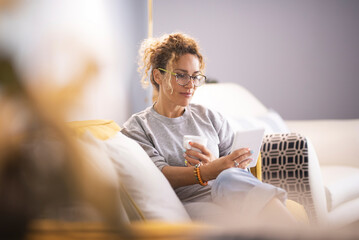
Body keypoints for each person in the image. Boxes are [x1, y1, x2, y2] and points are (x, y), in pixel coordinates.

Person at [121, 33, 296, 227]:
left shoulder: (210, 117)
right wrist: (207, 171)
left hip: (229, 192)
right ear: (158, 75)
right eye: (180, 75)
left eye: (195, 77)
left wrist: (217, 165)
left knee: (230, 177)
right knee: (239, 218)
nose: (190, 85)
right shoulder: (138, 127)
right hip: (191, 202)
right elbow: (158, 175)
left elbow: (239, 173)